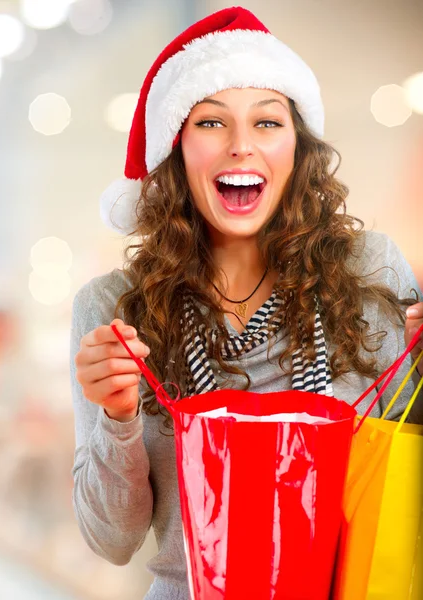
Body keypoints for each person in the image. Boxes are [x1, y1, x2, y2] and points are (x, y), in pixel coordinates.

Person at [70, 7, 423, 599]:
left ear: (297, 145)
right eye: (211, 123)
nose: (240, 147)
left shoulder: (370, 270)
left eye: (267, 122)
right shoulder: (115, 308)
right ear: (176, 145)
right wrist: (118, 418)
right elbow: (112, 541)